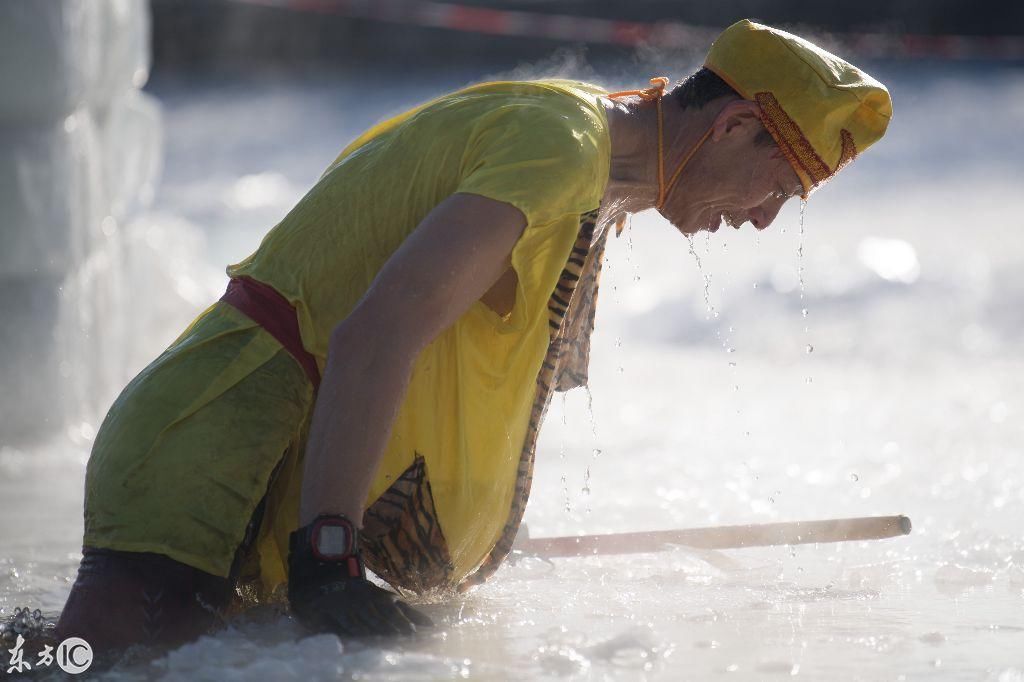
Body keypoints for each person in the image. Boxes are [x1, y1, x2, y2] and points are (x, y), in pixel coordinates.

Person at [55, 19, 892, 653]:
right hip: (212, 437)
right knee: (70, 667)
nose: (762, 219)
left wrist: (483, 538)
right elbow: (376, 335)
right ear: (735, 125)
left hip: (256, 452)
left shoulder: (603, 172)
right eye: (778, 187)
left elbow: (454, 356)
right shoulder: (559, 147)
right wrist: (331, 556)